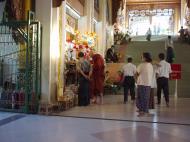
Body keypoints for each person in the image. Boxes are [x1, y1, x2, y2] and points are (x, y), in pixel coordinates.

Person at [136, 52, 153, 116]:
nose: (141, 58)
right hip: (148, 84)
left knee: (141, 97)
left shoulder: (142, 65)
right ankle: (144, 110)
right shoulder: (150, 65)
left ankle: (143, 111)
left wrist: (136, 80)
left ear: (145, 58)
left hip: (142, 83)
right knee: (145, 97)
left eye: (142, 57)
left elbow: (136, 73)